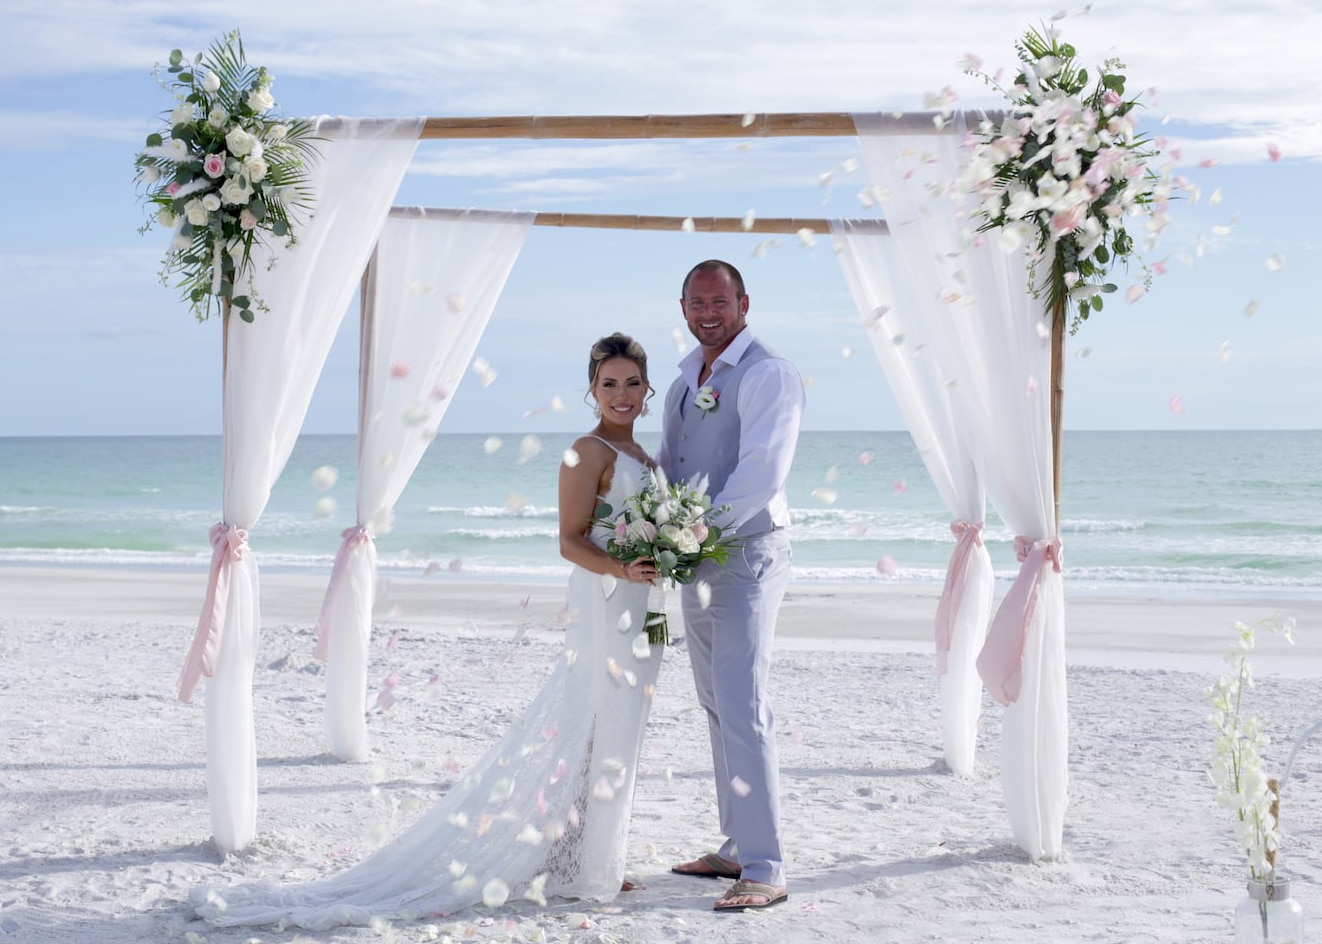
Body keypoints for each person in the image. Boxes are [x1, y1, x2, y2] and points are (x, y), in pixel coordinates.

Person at [193, 333, 663, 930]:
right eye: (609, 383)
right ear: (591, 390)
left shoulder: (646, 457)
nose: (621, 395)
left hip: (643, 603)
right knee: (595, 719)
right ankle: (586, 862)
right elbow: (570, 540)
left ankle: (588, 854)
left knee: (618, 727)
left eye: (632, 383)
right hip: (606, 599)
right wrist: (622, 567)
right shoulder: (586, 450)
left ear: (648, 389)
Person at [658, 260, 805, 912]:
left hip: (746, 554)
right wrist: (641, 520)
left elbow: (760, 475)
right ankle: (736, 846)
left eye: (719, 301)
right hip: (697, 558)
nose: (707, 312)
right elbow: (670, 463)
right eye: (696, 302)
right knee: (717, 705)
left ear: (743, 302)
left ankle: (766, 866)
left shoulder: (770, 373)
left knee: (744, 706)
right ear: (683, 306)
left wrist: (695, 532)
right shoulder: (684, 380)